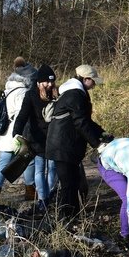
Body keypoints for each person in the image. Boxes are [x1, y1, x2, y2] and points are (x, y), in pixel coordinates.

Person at [46, 64, 110, 219]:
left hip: (64, 146)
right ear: (85, 79)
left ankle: (73, 216)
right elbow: (81, 122)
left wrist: (101, 132)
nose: (94, 84)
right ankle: (65, 219)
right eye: (93, 81)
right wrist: (98, 144)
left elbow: (85, 121)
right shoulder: (75, 95)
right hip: (63, 146)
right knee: (68, 185)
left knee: (73, 183)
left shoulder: (73, 92)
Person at [0, 57, 37, 202]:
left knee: (3, 162)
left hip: (5, 134)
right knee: (28, 160)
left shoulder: (9, 88)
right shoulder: (22, 92)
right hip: (16, 133)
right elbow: (22, 115)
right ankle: (30, 190)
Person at [11, 64, 59, 210]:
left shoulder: (57, 94)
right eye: (46, 82)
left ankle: (50, 195)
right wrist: (16, 134)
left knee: (52, 168)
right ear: (39, 82)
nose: (50, 84)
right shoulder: (31, 95)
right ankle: (43, 199)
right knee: (40, 169)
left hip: (53, 138)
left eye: (52, 81)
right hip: (37, 139)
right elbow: (22, 117)